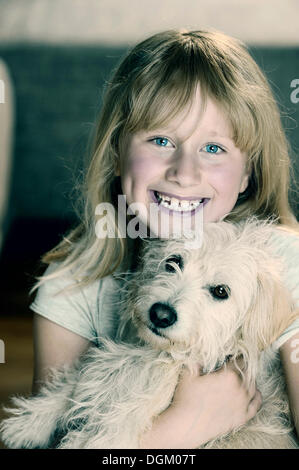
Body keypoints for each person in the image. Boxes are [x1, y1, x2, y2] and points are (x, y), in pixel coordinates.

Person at [30, 29, 299, 448]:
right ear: (117, 150)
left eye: (214, 149)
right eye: (160, 139)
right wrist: (184, 426)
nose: (184, 173)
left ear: (248, 173)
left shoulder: (284, 263)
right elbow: (51, 438)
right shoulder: (72, 281)